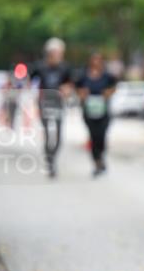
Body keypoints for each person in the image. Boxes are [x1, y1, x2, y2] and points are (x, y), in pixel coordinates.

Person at [31, 38, 74, 177]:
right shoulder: (40, 66)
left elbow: (71, 83)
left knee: (59, 135)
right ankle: (49, 160)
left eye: (60, 52)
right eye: (56, 52)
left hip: (59, 103)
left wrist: (67, 89)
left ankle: (53, 157)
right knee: (48, 133)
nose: (58, 55)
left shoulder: (65, 67)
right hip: (44, 103)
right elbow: (30, 81)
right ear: (49, 52)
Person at [75, 53, 117, 176]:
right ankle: (97, 162)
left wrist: (108, 93)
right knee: (93, 137)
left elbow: (114, 86)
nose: (96, 63)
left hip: (103, 111)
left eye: (98, 60)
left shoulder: (107, 76)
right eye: (93, 60)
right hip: (89, 112)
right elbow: (77, 88)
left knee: (101, 136)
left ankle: (101, 157)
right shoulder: (83, 77)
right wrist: (82, 94)